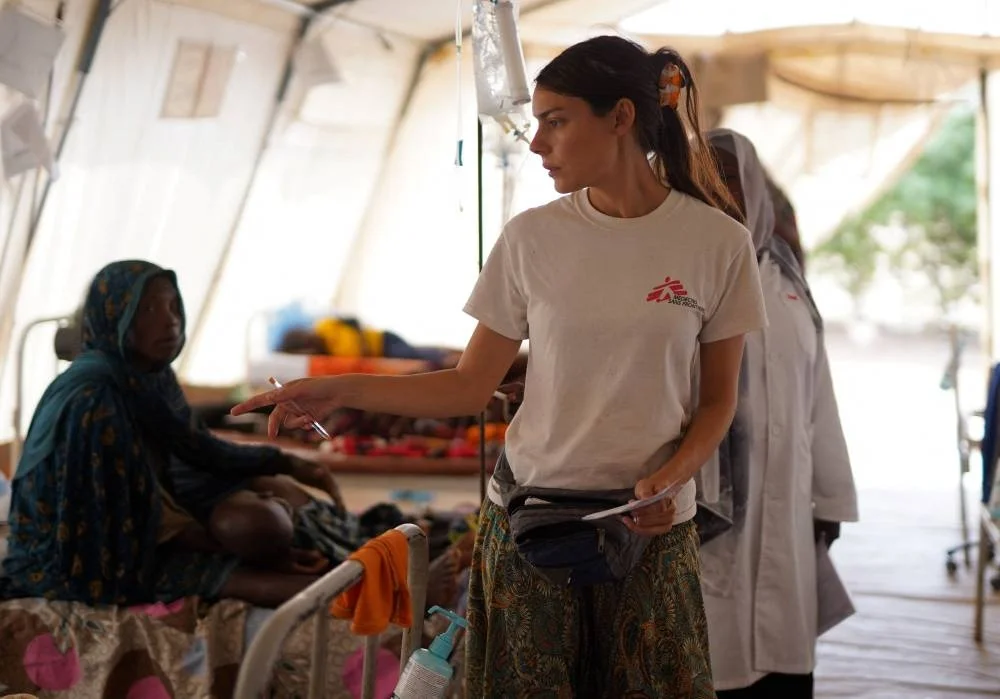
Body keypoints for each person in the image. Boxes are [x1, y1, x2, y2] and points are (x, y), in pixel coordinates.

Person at [232, 35, 768, 697]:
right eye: (536, 123)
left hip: (649, 533)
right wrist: (334, 390)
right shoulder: (531, 238)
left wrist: (672, 478)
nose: (537, 143)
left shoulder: (716, 242)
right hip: (529, 524)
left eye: (556, 121)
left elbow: (718, 401)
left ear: (622, 117)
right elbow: (467, 385)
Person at [0, 260, 464, 609]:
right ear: (113, 316)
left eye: (173, 306)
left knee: (274, 523)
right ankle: (401, 593)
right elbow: (117, 519)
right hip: (79, 555)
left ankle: (388, 564)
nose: (170, 320)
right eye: (149, 309)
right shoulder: (93, 399)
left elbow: (196, 447)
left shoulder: (145, 376)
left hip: (140, 517)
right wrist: (221, 545)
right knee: (245, 573)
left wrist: (284, 462)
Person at [702, 129, 859, 697]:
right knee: (715, 659)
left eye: (729, 178)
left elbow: (819, 395)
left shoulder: (787, 279)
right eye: (705, 178)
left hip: (788, 501)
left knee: (783, 663)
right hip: (710, 513)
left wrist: (830, 500)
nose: (718, 192)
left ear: (756, 190)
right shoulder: (686, 276)